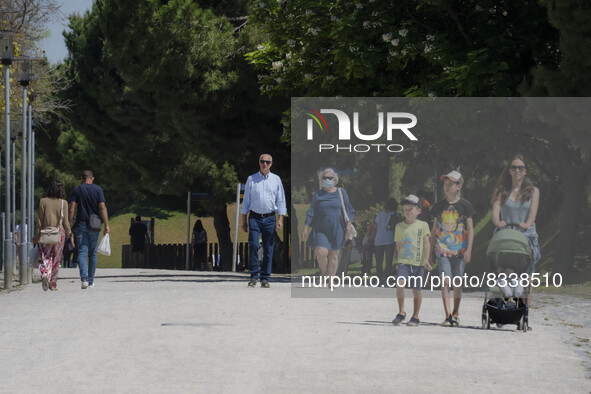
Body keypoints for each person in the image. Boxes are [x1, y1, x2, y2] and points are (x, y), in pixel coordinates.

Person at [491, 154, 540, 308]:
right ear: (509, 171)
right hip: (506, 235)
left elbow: (533, 214)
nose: (517, 170)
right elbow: (495, 211)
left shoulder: (533, 191)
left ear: (525, 171)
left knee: (528, 278)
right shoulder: (501, 191)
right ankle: (500, 305)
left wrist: (527, 223)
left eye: (520, 167)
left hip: (526, 236)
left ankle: (524, 313)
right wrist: (498, 222)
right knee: (501, 270)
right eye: (514, 167)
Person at [429, 171, 476, 327]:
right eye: (445, 184)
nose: (447, 187)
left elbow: (470, 228)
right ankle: (447, 315)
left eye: (450, 184)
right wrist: (430, 254)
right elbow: (434, 229)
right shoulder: (438, 207)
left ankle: (456, 314)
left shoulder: (465, 205)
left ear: (459, 186)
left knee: (457, 282)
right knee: (445, 282)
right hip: (442, 250)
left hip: (460, 251)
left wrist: (469, 249)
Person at [241, 154, 287, 288]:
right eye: (262, 161)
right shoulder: (251, 179)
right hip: (254, 217)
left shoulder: (276, 179)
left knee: (268, 248)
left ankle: (265, 278)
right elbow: (246, 201)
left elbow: (281, 199)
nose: (265, 164)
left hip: (270, 218)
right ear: (259, 163)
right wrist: (244, 221)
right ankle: (254, 276)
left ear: (271, 164)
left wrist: (280, 219)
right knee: (254, 245)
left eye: (267, 162)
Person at [301, 168, 354, 278]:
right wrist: (305, 226)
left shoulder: (341, 192)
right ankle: (325, 273)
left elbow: (348, 209)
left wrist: (348, 224)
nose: (327, 180)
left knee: (333, 255)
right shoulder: (318, 195)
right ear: (321, 180)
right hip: (321, 228)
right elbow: (312, 211)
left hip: (337, 228)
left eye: (330, 178)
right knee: (320, 252)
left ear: (334, 180)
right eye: (325, 178)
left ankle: (331, 279)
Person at [391, 195, 431, 327]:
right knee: (399, 284)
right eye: (405, 209)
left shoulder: (423, 225)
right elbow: (398, 244)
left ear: (418, 210)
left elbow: (426, 243)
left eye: (410, 209)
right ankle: (401, 312)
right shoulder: (399, 227)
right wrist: (398, 260)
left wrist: (426, 260)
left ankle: (415, 316)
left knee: (416, 290)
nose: (407, 212)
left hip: (418, 263)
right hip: (403, 261)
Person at [68, 170, 110, 289]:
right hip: (95, 225)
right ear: (93, 178)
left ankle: (84, 279)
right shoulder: (98, 189)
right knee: (92, 253)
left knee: (82, 252)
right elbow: (102, 207)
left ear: (82, 178)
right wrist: (106, 224)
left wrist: (68, 224)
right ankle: (91, 281)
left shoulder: (77, 189)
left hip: (81, 224)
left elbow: (72, 208)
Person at [33, 180, 74, 291]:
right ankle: (53, 282)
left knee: (45, 256)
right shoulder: (63, 203)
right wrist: (69, 233)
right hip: (59, 233)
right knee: (56, 258)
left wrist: (36, 236)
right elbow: (65, 221)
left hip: (46, 233)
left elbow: (40, 221)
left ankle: (45, 274)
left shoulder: (43, 201)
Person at [372, 197, 399, 282]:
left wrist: (371, 237)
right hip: (390, 239)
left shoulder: (380, 215)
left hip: (379, 239)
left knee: (379, 260)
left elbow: (375, 228)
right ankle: (387, 277)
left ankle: (379, 277)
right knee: (388, 260)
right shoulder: (396, 215)